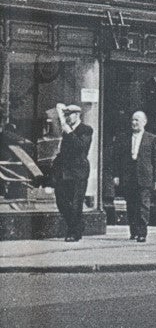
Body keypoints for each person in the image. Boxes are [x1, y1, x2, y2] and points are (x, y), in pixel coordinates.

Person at [111, 110, 156, 243]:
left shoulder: (151, 138)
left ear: (144, 122)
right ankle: (133, 231)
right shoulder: (124, 138)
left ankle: (142, 232)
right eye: (132, 120)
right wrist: (116, 175)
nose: (134, 123)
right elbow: (117, 158)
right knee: (131, 205)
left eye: (137, 120)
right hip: (129, 175)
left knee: (143, 204)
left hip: (144, 176)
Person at [52, 103, 94, 241]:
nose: (67, 118)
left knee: (76, 203)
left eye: (69, 115)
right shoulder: (64, 130)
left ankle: (73, 232)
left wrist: (69, 131)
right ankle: (77, 225)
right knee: (62, 201)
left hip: (78, 172)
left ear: (77, 115)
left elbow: (80, 147)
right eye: (66, 115)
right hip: (63, 171)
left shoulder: (86, 130)